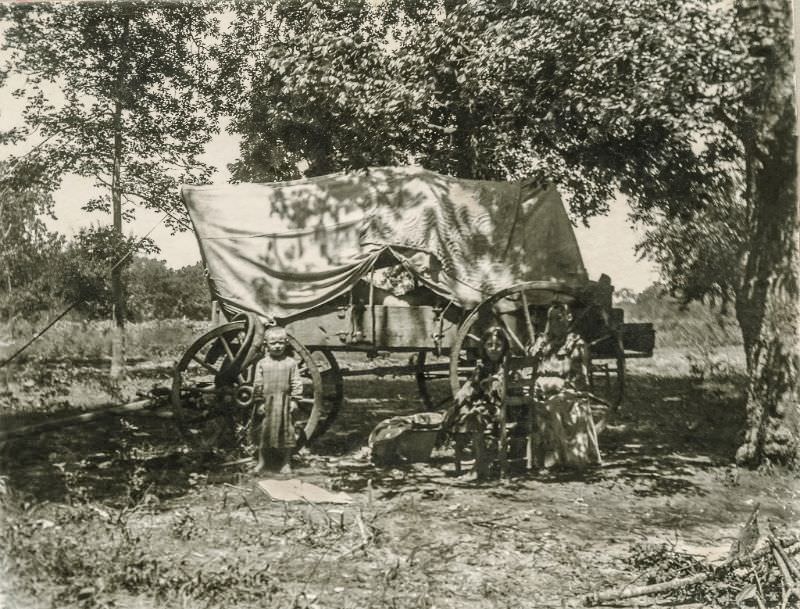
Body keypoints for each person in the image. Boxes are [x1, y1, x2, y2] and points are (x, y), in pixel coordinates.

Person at [528, 303, 602, 469]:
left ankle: (562, 459)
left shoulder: (575, 344)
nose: (555, 323)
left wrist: (558, 385)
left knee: (552, 406)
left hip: (570, 395)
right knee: (534, 404)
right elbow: (531, 365)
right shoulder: (544, 342)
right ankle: (541, 459)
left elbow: (580, 379)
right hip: (545, 392)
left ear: (569, 318)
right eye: (551, 319)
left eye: (559, 318)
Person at [445, 326, 509, 480]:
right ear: (484, 347)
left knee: (476, 415)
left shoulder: (507, 365)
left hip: (506, 407)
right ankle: (475, 458)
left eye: (498, 345)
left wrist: (496, 381)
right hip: (487, 405)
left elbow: (506, 386)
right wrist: (462, 395)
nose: (494, 349)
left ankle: (480, 465)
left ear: (504, 346)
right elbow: (472, 384)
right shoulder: (483, 366)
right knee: (460, 411)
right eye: (489, 345)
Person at [253, 326, 303, 475]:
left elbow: (296, 382)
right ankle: (262, 462)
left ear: (286, 343)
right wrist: (259, 401)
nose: (277, 346)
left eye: (280, 343)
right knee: (264, 433)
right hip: (267, 402)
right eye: (273, 343)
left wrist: (295, 400)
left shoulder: (291, 363)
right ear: (266, 345)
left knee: (287, 432)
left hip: (284, 402)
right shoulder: (262, 363)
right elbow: (258, 383)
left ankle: (286, 462)